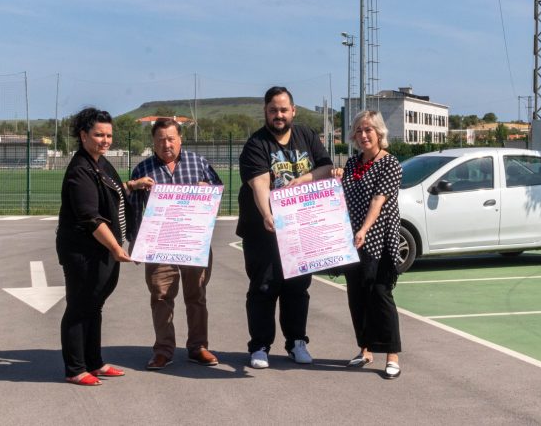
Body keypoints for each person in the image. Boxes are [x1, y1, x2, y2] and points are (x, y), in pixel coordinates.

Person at [237, 86, 335, 369]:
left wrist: (303, 180)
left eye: (283, 110)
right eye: (272, 110)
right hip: (262, 232)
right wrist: (267, 215)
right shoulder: (257, 143)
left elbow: (326, 167)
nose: (278, 115)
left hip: (300, 228)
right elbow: (260, 183)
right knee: (264, 287)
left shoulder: (307, 135)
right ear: (265, 112)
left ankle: (296, 342)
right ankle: (259, 346)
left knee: (298, 287)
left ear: (293, 111)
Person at [127, 118, 223, 370]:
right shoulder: (142, 169)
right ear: (153, 142)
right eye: (160, 140)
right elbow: (134, 210)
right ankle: (163, 350)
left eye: (170, 138)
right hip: (159, 244)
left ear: (180, 139)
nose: (166, 144)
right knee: (160, 297)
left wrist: (208, 190)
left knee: (197, 295)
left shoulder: (199, 164)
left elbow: (217, 195)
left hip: (193, 242)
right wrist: (135, 242)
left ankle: (198, 346)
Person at [56, 107, 133, 386]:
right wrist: (116, 247)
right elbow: (91, 216)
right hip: (83, 252)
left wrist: (133, 185)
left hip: (102, 249)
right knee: (79, 307)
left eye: (109, 135)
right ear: (83, 135)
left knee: (94, 305)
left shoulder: (100, 162)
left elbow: (112, 190)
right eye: (99, 134)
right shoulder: (80, 169)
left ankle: (95, 362)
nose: (105, 140)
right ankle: (75, 368)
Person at [341, 110, 403, 379]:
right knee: (357, 295)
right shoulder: (352, 163)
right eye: (359, 130)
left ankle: (392, 354)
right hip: (351, 241)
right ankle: (365, 349)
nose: (364, 135)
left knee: (380, 295)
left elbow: (379, 201)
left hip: (379, 239)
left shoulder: (390, 164)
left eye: (369, 130)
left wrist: (364, 229)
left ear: (379, 133)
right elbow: (341, 196)